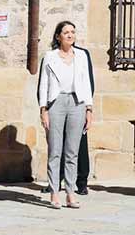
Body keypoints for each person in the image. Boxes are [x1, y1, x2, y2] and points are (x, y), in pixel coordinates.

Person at [37, 21, 94, 209]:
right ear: (58, 36)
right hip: (56, 102)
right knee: (55, 150)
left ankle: (70, 192)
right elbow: (44, 83)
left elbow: (86, 83)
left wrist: (89, 109)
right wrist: (43, 110)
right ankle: (54, 192)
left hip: (77, 102)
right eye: (66, 32)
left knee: (72, 152)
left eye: (72, 32)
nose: (70, 35)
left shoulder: (82, 55)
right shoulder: (50, 57)